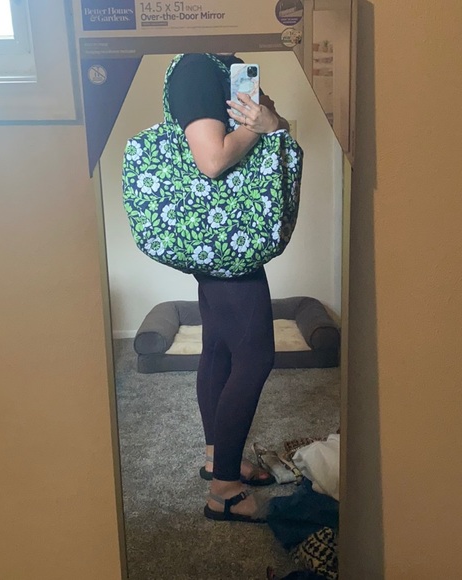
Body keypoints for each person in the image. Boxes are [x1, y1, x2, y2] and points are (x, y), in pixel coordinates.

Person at [167, 53, 290, 523]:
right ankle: (224, 491)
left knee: (218, 345)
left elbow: (273, 124)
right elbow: (213, 160)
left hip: (223, 232)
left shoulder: (228, 64)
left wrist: (269, 121)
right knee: (256, 357)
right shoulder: (197, 68)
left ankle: (219, 459)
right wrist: (261, 129)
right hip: (227, 235)